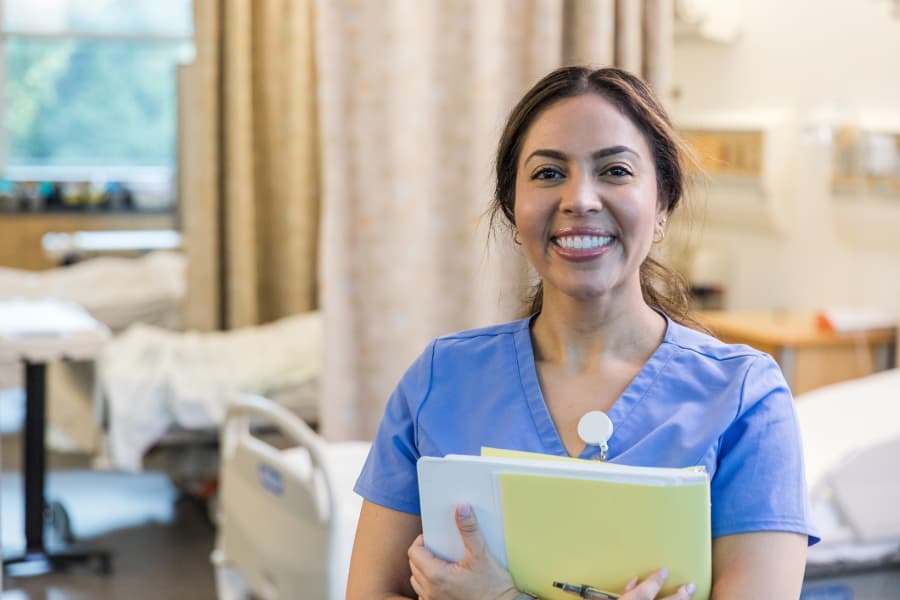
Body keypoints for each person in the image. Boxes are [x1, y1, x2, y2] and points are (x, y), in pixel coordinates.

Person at [346, 66, 818, 600]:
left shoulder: (744, 398)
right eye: (548, 174)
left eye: (615, 170)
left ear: (662, 206)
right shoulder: (441, 381)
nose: (580, 199)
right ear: (512, 210)